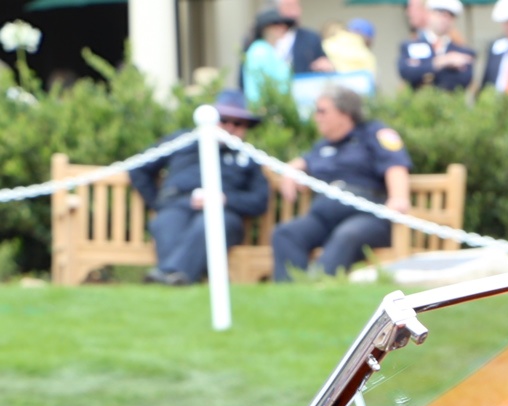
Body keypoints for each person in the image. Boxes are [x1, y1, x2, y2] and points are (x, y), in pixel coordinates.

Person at [128, 90, 270, 286]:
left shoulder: (247, 157)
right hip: (177, 204)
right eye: (224, 120)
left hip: (223, 212)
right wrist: (159, 203)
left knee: (210, 224)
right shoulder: (183, 140)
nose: (230, 127)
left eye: (238, 123)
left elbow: (260, 200)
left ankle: (166, 275)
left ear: (245, 127)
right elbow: (139, 168)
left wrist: (225, 199)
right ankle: (177, 279)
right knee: (167, 222)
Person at [269, 87, 412, 282]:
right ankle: (291, 293)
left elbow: (395, 164)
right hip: (323, 218)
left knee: (347, 235)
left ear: (344, 113)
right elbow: (305, 161)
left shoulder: (374, 133)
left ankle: (318, 287)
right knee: (286, 234)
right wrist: (291, 171)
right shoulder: (323, 145)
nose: (316, 117)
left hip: (367, 215)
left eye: (322, 111)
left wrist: (399, 197)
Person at [398, 0, 477, 92]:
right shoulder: (411, 46)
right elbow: (407, 73)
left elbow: (463, 81)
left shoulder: (462, 51)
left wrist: (422, 67)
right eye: (440, 14)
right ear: (429, 14)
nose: (444, 20)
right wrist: (442, 62)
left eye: (449, 16)